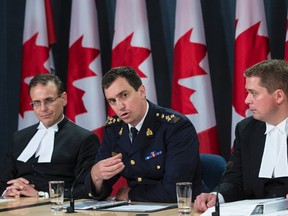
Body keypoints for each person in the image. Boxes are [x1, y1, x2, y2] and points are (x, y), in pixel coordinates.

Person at [86, 66, 208, 203]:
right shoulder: (114, 129)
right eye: (112, 101)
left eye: (124, 95)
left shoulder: (175, 127)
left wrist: (131, 194)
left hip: (185, 209)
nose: (120, 106)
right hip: (139, 209)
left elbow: (175, 190)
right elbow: (102, 187)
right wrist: (96, 176)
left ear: (142, 92)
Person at [194, 59, 288, 212]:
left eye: (254, 93)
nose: (246, 100)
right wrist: (216, 196)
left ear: (278, 96)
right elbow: (235, 179)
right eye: (247, 92)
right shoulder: (246, 129)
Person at [0, 73, 100, 199]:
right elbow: (3, 182)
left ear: (63, 99)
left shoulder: (84, 139)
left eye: (49, 100)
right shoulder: (19, 137)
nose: (43, 109)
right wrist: (8, 191)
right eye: (36, 102)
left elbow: (86, 188)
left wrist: (42, 195)